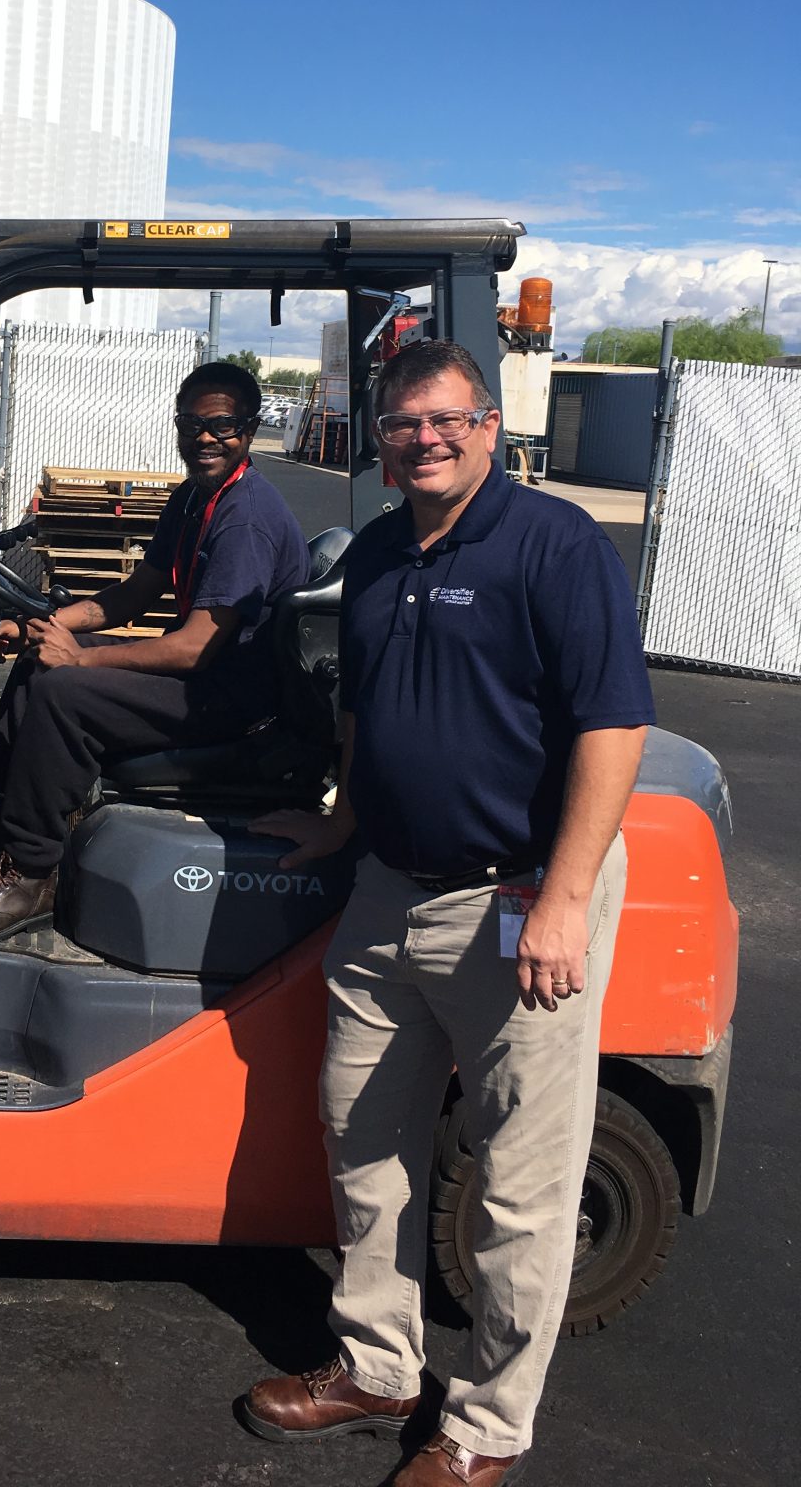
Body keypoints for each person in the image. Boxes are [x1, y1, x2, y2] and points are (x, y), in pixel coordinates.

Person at [242, 340, 654, 1485]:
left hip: (519, 895)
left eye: (446, 420)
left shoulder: (554, 546)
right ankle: (379, 1366)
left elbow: (611, 725)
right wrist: (339, 818)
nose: (424, 439)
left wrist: (566, 900)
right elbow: (368, 706)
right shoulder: (377, 554)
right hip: (389, 890)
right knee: (362, 1138)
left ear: (490, 425)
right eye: (403, 424)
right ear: (378, 438)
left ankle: (484, 1430)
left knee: (519, 1181)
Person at [0, 361, 310, 947]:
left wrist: (81, 661)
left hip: (234, 701)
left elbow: (197, 647)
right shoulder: (195, 497)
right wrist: (37, 628)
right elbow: (132, 594)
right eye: (191, 423)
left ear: (249, 430)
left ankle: (30, 872)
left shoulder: (245, 518)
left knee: (63, 689)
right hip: (209, 679)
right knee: (39, 662)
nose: (204, 437)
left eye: (222, 425)